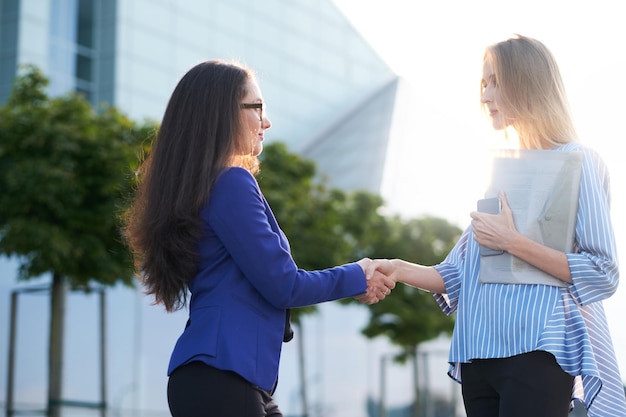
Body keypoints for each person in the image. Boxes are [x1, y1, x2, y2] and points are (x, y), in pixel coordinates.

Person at [366, 35, 626, 417]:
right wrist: (397, 268)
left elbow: (603, 272)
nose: (484, 96)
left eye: (495, 82)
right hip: (478, 353)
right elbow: (457, 275)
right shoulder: (498, 172)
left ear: (527, 83)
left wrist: (513, 241)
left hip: (536, 350)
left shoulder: (578, 161)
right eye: (482, 84)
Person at [122, 60, 395, 417]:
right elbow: (283, 285)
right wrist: (357, 274)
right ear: (221, 113)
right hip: (222, 377)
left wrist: (354, 281)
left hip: (228, 379)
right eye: (258, 108)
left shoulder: (209, 185)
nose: (266, 122)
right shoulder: (230, 183)